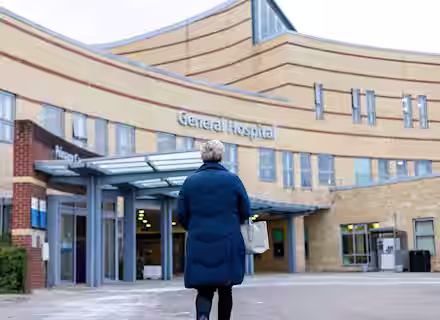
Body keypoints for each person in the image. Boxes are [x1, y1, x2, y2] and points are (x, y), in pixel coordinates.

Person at [178, 140, 251, 320]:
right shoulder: (233, 180)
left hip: (199, 242)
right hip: (227, 241)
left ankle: (203, 317)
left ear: (202, 156)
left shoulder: (190, 182)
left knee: (204, 289)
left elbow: (181, 214)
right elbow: (246, 210)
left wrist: (194, 227)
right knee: (226, 289)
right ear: (221, 156)